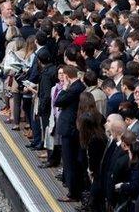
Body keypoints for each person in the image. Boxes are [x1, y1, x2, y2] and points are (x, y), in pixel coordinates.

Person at [54, 65, 86, 202]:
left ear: (67, 76)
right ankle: (74, 190)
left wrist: (65, 87)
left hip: (70, 130)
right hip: (72, 128)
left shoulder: (73, 89)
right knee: (71, 161)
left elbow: (58, 101)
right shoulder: (79, 86)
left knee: (69, 161)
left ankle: (73, 193)